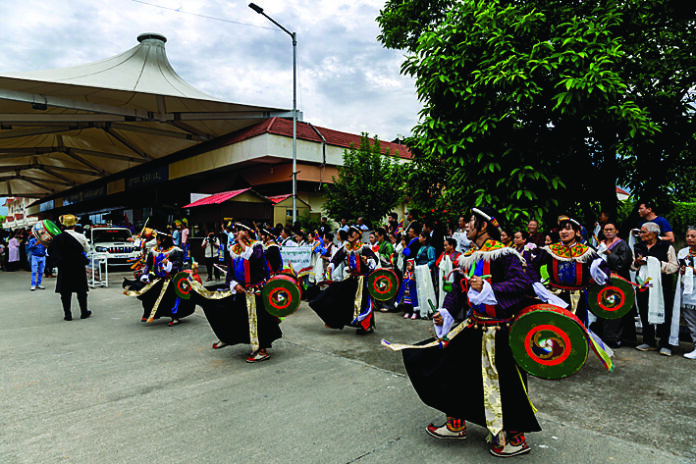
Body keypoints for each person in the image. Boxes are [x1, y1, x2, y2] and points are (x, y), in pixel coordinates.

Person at [392, 207, 540, 457]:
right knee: (448, 366)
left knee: (505, 385)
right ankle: (455, 423)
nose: (465, 227)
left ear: (483, 226)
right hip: (473, 326)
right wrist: (445, 313)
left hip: (500, 331)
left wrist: (487, 285)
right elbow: (457, 292)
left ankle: (514, 438)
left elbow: (520, 284)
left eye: (470, 222)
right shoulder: (466, 257)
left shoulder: (506, 255)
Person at [193, 221, 282, 363]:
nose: (236, 233)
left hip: (255, 292)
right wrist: (234, 285)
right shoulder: (233, 249)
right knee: (229, 314)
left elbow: (255, 260)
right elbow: (230, 272)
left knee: (259, 322)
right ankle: (228, 337)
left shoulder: (257, 246)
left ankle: (261, 349)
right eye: (236, 231)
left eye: (239, 230)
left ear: (247, 232)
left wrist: (241, 241)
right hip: (240, 291)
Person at [526, 216, 611, 327]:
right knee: (555, 329)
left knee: (576, 329)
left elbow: (603, 268)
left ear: (577, 232)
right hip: (554, 297)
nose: (564, 232)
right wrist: (538, 286)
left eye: (568, 229)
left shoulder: (586, 251)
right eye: (561, 229)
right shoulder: (551, 250)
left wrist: (597, 271)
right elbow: (532, 266)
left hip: (578, 298)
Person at [309, 226, 379, 334]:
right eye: (349, 232)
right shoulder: (346, 248)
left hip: (363, 279)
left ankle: (367, 327)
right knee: (335, 294)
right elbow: (337, 258)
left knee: (363, 302)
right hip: (351, 278)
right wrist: (330, 267)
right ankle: (336, 320)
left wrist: (368, 262)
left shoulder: (364, 248)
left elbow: (374, 259)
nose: (350, 234)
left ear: (358, 235)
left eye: (353, 232)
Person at [124, 231, 195, 326]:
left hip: (170, 279)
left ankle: (175, 317)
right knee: (149, 295)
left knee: (171, 298)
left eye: (157, 239)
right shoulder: (154, 250)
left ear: (163, 240)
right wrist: (145, 274)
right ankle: (148, 313)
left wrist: (168, 264)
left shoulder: (175, 251)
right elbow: (148, 264)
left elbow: (178, 263)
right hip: (156, 278)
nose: (156, 241)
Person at [632, 221, 678, 355]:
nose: (640, 234)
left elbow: (674, 267)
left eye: (643, 232)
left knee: (665, 313)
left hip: (662, 287)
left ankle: (665, 343)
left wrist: (656, 264)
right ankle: (649, 340)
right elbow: (633, 265)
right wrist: (637, 263)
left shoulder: (666, 247)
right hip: (644, 285)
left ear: (653, 233)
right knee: (644, 310)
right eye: (640, 232)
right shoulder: (638, 246)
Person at [594, 221, 636, 347]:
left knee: (616, 308)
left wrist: (608, 253)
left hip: (618, 281)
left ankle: (615, 338)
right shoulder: (601, 244)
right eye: (606, 229)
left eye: (611, 229)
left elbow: (623, 263)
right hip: (604, 281)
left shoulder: (622, 245)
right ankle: (604, 335)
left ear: (616, 231)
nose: (608, 231)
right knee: (604, 306)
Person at [47, 215, 92, 321]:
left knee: (65, 291)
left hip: (64, 267)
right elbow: (87, 250)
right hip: (78, 266)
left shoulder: (57, 238)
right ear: (74, 225)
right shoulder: (81, 237)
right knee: (81, 290)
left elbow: (49, 251)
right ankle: (84, 312)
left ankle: (68, 314)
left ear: (62, 226)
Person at [674, 226, 696, 359]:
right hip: (687, 292)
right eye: (688, 236)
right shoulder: (682, 252)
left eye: (693, 236)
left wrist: (694, 271)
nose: (690, 239)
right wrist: (682, 271)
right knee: (692, 322)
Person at [436, 237, 461, 308]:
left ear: (452, 246)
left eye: (446, 245)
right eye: (444, 245)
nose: (444, 247)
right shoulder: (443, 254)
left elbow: (457, 263)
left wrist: (448, 262)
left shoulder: (458, 254)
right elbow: (437, 263)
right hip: (443, 278)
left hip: (453, 279)